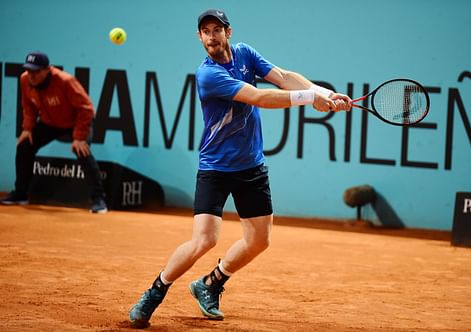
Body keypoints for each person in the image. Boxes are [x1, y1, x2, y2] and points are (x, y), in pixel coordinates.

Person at [129, 8, 351, 327]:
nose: (211, 36)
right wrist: (308, 99)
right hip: (216, 168)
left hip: (251, 166)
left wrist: (325, 93)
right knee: (204, 239)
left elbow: (284, 77)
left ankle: (210, 284)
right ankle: (154, 292)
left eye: (216, 30)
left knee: (260, 240)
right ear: (200, 37)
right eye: (205, 31)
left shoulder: (245, 53)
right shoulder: (207, 75)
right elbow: (258, 97)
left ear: (228, 32)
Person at [0, 51, 108, 214]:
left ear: (47, 69)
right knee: (24, 146)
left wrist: (79, 137)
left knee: (82, 152)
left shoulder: (65, 81)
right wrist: (27, 128)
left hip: (75, 121)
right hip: (49, 123)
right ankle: (20, 194)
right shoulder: (24, 80)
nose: (31, 75)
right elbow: (28, 105)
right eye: (29, 70)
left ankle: (99, 198)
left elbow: (86, 109)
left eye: (36, 71)